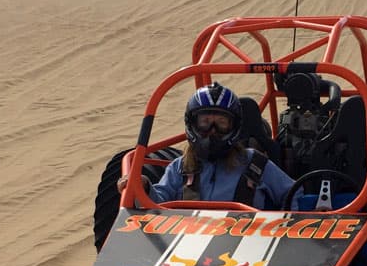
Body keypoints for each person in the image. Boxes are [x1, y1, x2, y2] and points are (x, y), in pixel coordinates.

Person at [121, 82, 298, 209]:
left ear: (234, 126)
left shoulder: (255, 164)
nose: (212, 131)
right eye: (205, 122)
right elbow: (156, 205)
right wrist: (142, 187)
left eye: (221, 123)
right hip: (189, 249)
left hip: (248, 252)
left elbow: (294, 195)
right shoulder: (180, 168)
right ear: (192, 124)